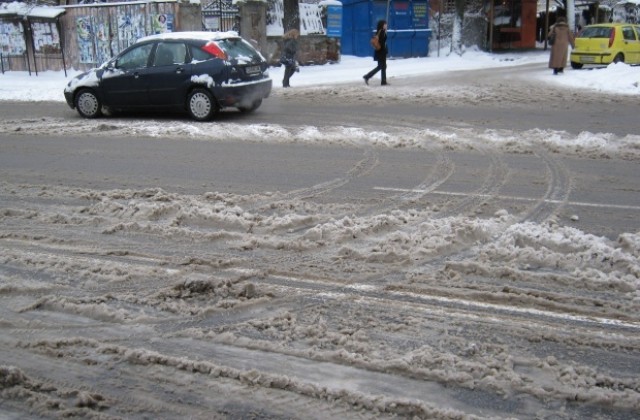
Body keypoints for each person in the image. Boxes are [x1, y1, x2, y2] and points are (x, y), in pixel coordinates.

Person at [363, 20, 389, 86]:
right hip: (381, 52)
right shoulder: (382, 32)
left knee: (383, 66)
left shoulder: (378, 31)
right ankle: (367, 76)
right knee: (381, 66)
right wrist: (385, 33)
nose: (386, 25)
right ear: (382, 25)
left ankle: (383, 81)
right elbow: (382, 43)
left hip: (379, 52)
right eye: (385, 24)